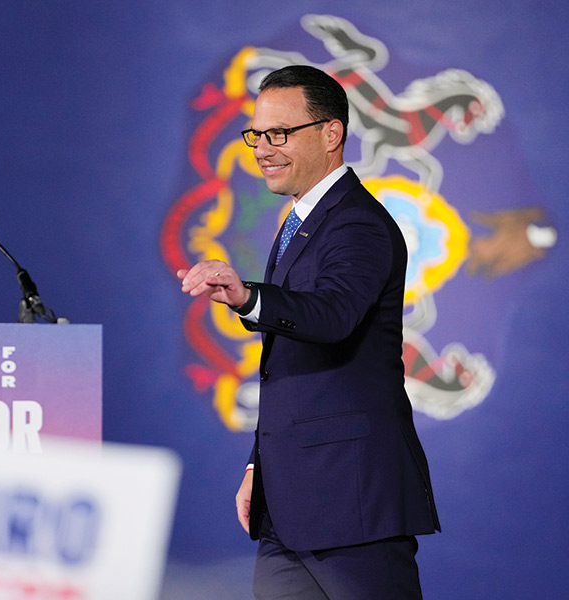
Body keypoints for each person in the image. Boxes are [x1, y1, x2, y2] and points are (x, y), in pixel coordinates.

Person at [177, 65, 440, 599]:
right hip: (289, 510)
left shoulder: (358, 223)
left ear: (331, 133)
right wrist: (259, 462)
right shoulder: (301, 220)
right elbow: (288, 364)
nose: (263, 148)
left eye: (280, 134)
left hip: (352, 506)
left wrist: (249, 297)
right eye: (257, 135)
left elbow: (332, 315)